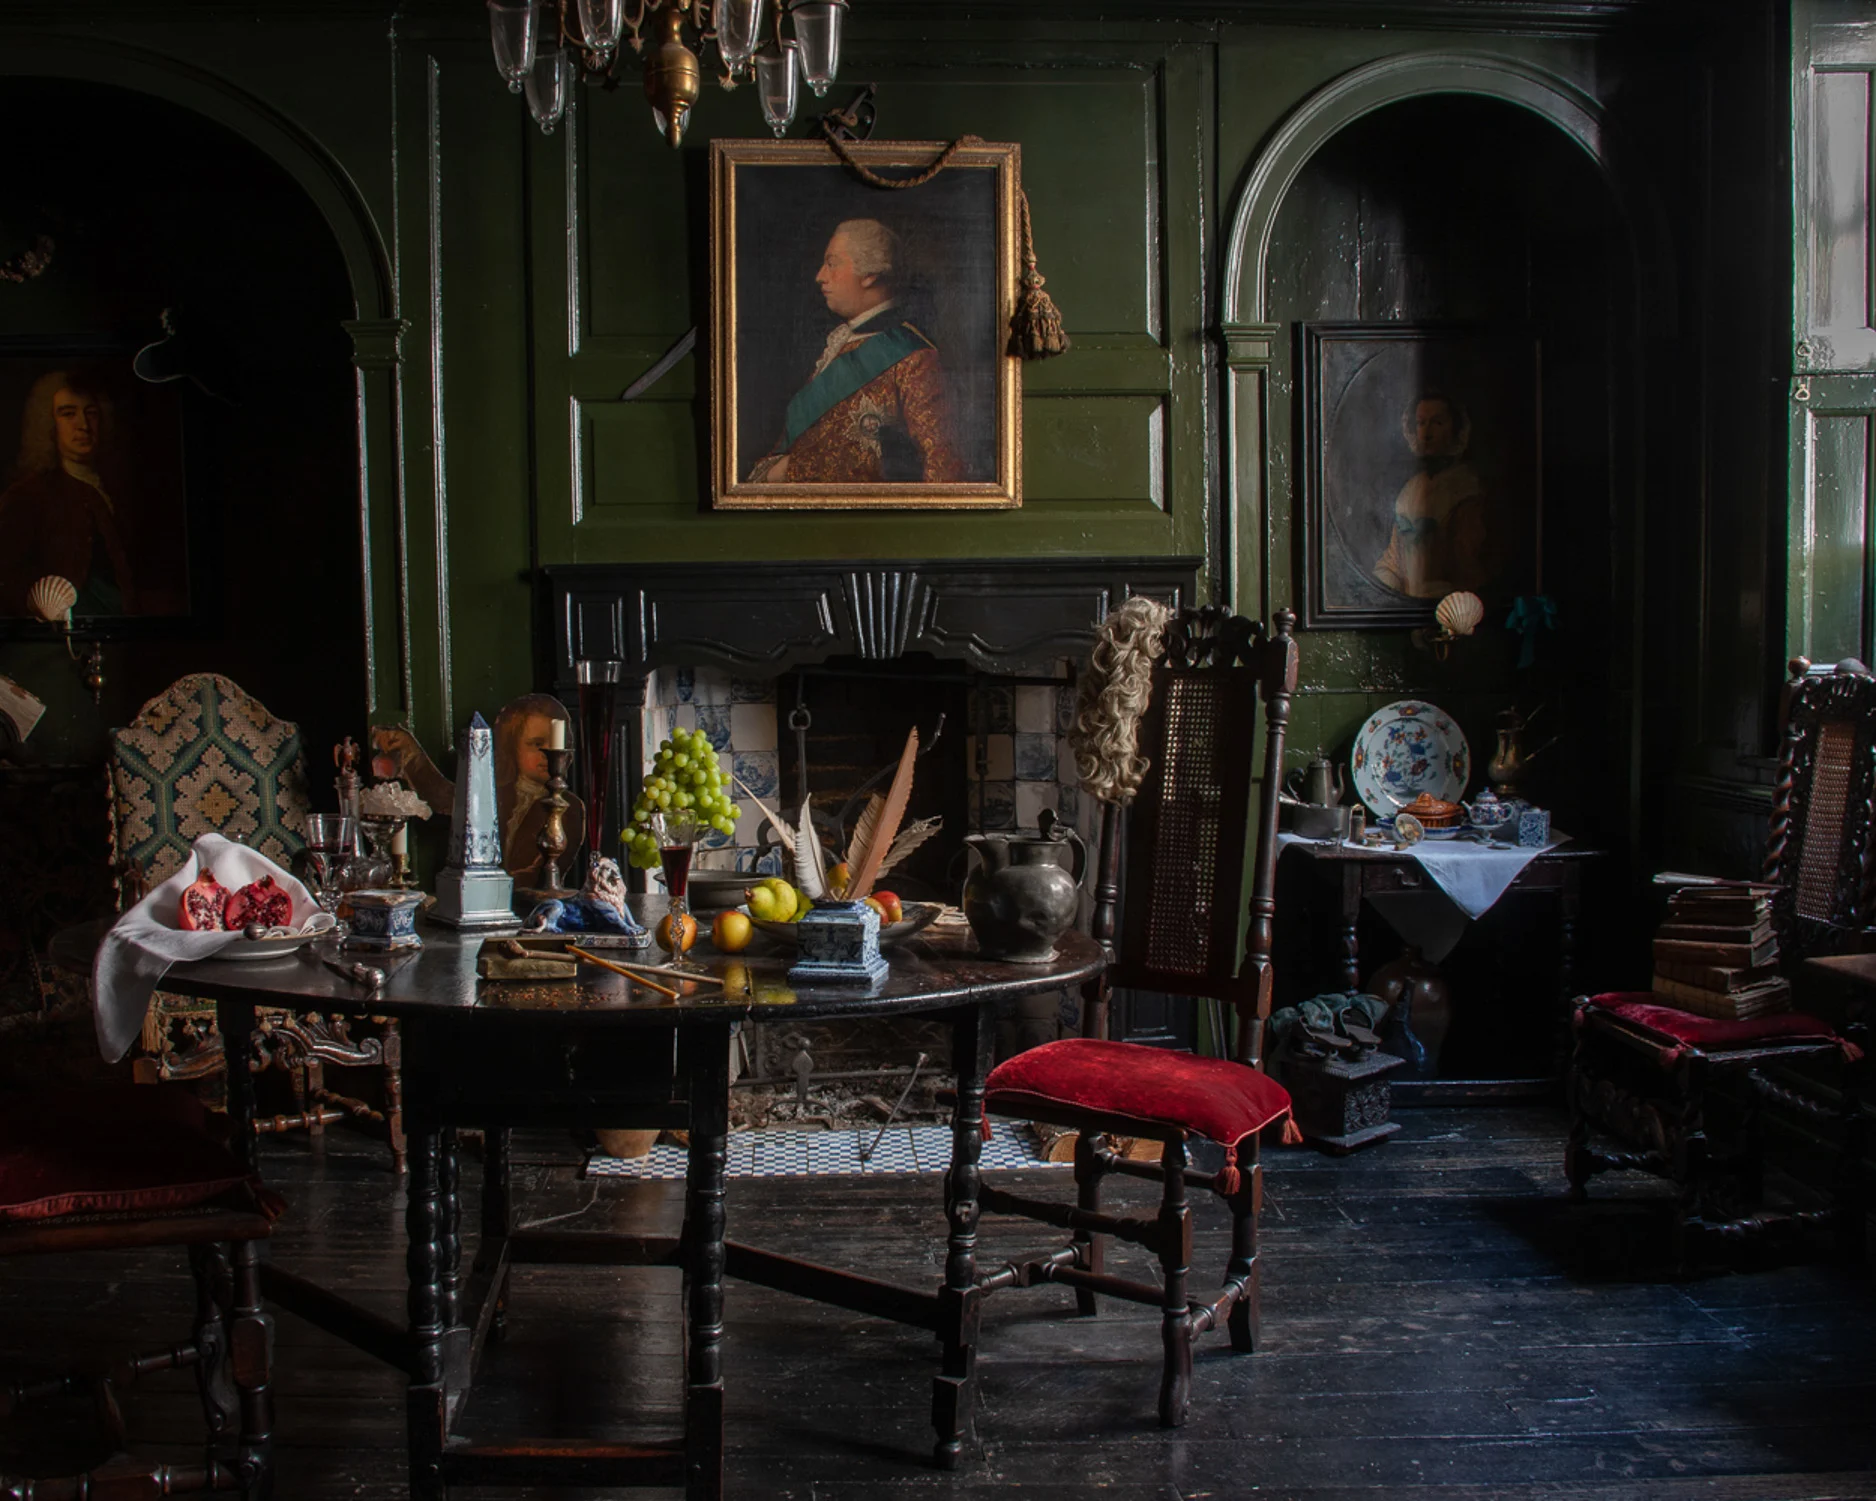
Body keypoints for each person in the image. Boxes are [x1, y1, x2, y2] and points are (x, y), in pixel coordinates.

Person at [747, 217, 965, 485]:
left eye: (832, 263)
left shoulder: (914, 356)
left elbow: (943, 468)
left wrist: (790, 470)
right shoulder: (838, 343)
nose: (820, 276)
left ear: (870, 274)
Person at [371, 694, 585, 884]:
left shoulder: (570, 808)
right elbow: (446, 797)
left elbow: (537, 873)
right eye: (536, 744)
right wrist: (410, 753)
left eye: (556, 745)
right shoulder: (498, 794)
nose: (547, 753)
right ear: (513, 746)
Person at [0, 369, 137, 617]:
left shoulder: (119, 490)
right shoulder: (28, 494)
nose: (83, 425)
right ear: (49, 424)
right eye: (68, 414)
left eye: (91, 413)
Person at [1371, 392, 1494, 599]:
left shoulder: (1468, 487)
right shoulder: (1411, 489)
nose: (1426, 433)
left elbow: (1469, 569)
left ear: (1456, 430)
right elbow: (1393, 560)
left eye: (1437, 423)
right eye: (1421, 423)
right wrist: (1383, 585)